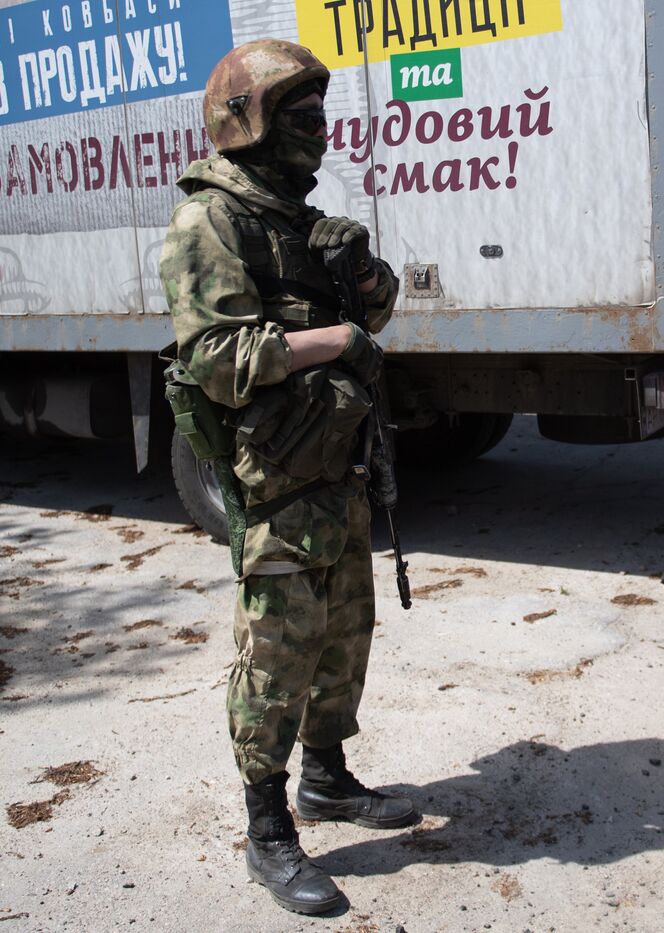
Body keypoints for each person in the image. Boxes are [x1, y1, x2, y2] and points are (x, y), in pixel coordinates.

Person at [160, 39, 415, 915]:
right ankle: (267, 830)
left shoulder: (298, 215)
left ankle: (328, 779)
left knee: (345, 636)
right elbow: (219, 358)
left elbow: (375, 309)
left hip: (337, 466)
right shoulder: (212, 222)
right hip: (277, 481)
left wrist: (362, 274)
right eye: (302, 117)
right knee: (277, 654)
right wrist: (337, 340)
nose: (320, 131)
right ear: (251, 121)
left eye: (321, 114)